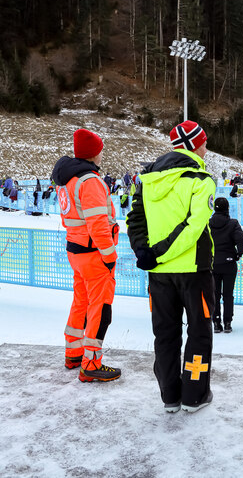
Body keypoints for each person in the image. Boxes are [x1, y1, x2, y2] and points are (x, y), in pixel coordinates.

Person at [126, 120, 217, 414]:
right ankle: (194, 395)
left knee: (165, 334)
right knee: (199, 333)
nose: (206, 149)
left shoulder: (148, 179)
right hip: (194, 272)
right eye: (204, 143)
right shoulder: (201, 180)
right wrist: (158, 253)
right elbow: (193, 227)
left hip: (159, 275)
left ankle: (170, 396)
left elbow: (135, 219)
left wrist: (144, 252)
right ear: (194, 145)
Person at [51, 128, 121, 383]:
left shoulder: (68, 180)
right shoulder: (90, 181)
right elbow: (98, 224)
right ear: (93, 153)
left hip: (76, 251)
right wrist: (109, 255)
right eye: (100, 150)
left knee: (81, 302)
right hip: (94, 254)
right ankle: (91, 363)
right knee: (100, 308)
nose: (102, 154)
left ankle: (74, 353)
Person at [209, 198, 243, 334]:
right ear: (227, 208)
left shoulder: (208, 223)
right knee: (228, 294)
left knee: (214, 294)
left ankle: (216, 322)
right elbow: (241, 240)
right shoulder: (233, 223)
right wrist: (238, 254)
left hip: (213, 264)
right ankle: (228, 322)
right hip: (229, 263)